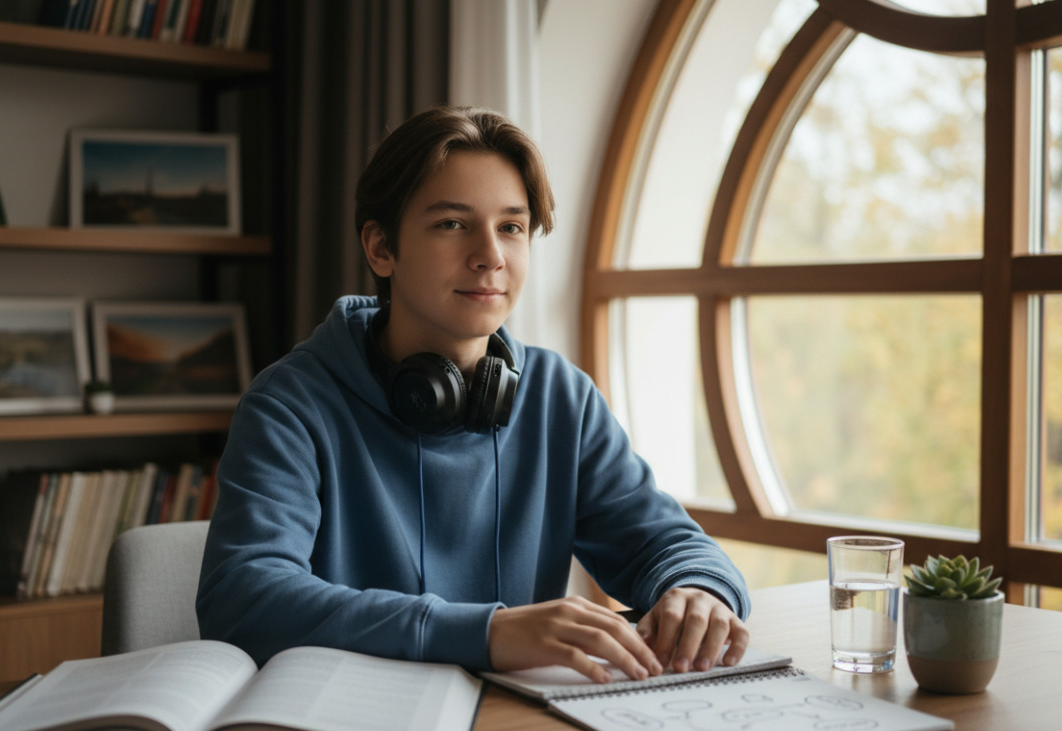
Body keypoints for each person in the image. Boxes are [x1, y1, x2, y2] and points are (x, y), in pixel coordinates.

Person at [196, 106, 751, 684]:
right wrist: (487, 633)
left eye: (511, 226)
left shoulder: (561, 398)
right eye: (452, 224)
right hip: (351, 729)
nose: (491, 255)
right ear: (381, 248)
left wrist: (699, 590)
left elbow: (668, 543)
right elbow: (244, 600)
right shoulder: (289, 405)